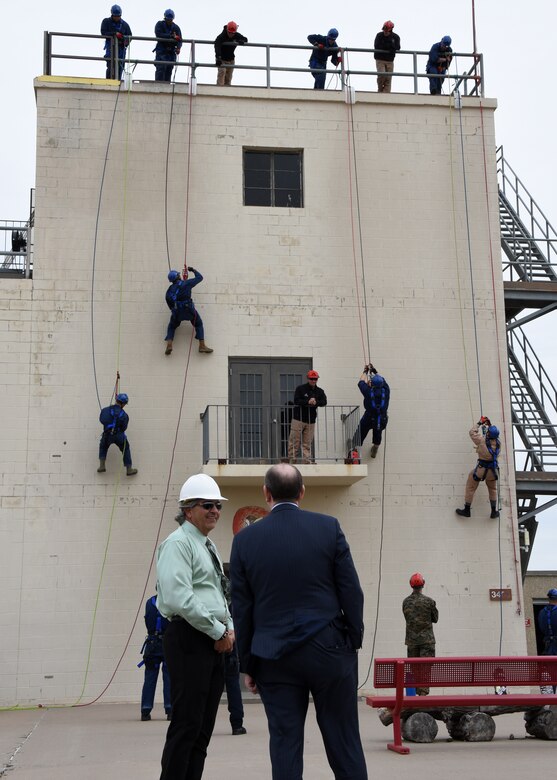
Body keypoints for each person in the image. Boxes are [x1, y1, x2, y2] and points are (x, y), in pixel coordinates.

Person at [230, 463, 368, 780]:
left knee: (285, 744)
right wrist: (352, 641)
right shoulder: (328, 528)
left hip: (274, 657)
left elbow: (243, 607)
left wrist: (248, 663)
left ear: (266, 493)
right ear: (302, 492)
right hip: (330, 650)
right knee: (344, 740)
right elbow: (351, 591)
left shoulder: (245, 541)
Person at [156, 473, 234, 780]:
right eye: (207, 505)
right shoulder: (178, 544)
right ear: (188, 510)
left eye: (218, 505)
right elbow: (179, 598)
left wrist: (228, 626)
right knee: (187, 725)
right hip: (190, 638)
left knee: (202, 728)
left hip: (212, 639)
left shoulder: (206, 544)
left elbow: (216, 591)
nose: (215, 510)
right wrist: (218, 632)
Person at [455, 417, 500, 518]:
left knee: (470, 487)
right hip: (492, 471)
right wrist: (489, 427)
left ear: (488, 434)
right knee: (492, 489)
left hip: (481, 469)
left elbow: (472, 432)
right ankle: (493, 511)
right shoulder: (498, 444)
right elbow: (491, 437)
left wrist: (480, 423)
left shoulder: (481, 441)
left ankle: (467, 509)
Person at [402, 572, 438, 696]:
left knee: (414, 669)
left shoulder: (406, 602)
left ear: (411, 585)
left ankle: (413, 696)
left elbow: (408, 618)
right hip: (427, 641)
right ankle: (423, 696)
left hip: (412, 641)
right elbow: (435, 618)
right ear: (423, 584)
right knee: (425, 669)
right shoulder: (429, 602)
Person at [164, 267, 213, 356]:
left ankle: (169, 345)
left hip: (177, 312)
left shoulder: (170, 289)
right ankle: (202, 345)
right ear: (177, 276)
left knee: (171, 326)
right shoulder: (187, 283)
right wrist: (193, 270)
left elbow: (168, 300)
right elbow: (200, 277)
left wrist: (173, 310)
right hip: (189, 310)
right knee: (198, 323)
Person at [222, 563, 246, 736]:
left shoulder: (216, 594)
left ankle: (201, 722)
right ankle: (237, 724)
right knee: (233, 685)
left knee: (207, 686)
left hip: (215, 642)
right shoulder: (238, 598)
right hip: (232, 645)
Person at [140, 594, 171, 721]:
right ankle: (170, 709)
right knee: (169, 677)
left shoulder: (149, 603)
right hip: (168, 643)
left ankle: (145, 710)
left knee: (150, 677)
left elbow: (147, 620)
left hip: (152, 644)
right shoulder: (170, 601)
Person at [287, 370, 327, 463]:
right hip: (298, 418)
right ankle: (292, 460)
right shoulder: (300, 389)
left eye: (315, 379)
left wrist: (316, 402)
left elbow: (324, 402)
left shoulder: (320, 391)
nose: (313, 380)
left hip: (311, 420)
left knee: (307, 442)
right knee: (294, 440)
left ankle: (306, 460)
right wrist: (308, 401)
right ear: (308, 378)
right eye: (312, 379)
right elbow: (296, 400)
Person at [353, 364, 390, 459]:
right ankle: (375, 447)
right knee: (378, 434)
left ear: (372, 384)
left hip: (369, 417)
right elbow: (383, 380)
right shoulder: (386, 391)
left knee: (360, 433)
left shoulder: (368, 392)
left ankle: (355, 449)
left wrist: (365, 371)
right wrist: (374, 371)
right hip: (381, 418)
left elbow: (361, 382)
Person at [97, 392, 137, 475]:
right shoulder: (124, 415)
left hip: (107, 434)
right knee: (126, 448)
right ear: (123, 403)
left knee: (103, 446)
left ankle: (102, 466)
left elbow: (102, 420)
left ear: (116, 400)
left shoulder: (105, 410)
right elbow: (124, 428)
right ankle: (129, 469)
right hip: (118, 435)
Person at [100, 5, 132, 80]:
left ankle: (118, 82)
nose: (117, 18)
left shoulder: (124, 25)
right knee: (111, 66)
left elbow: (130, 36)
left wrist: (124, 41)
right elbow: (103, 32)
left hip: (121, 50)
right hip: (111, 48)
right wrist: (115, 34)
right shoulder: (106, 21)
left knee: (120, 66)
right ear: (112, 14)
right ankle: (109, 82)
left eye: (118, 16)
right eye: (115, 16)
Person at [214, 21, 248, 86]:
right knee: (222, 72)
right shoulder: (221, 37)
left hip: (231, 60)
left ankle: (227, 90)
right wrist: (218, 57)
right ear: (227, 30)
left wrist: (242, 41)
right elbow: (217, 46)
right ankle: (219, 89)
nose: (231, 34)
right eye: (229, 33)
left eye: (233, 33)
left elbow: (245, 39)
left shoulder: (236, 35)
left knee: (228, 78)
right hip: (222, 59)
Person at [154, 9, 182, 82]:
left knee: (169, 70)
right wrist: (171, 36)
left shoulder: (176, 28)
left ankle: (167, 88)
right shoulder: (160, 24)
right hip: (161, 51)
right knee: (161, 69)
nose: (169, 21)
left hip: (171, 52)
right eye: (168, 19)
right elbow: (158, 34)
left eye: (170, 20)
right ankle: (158, 87)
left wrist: (178, 48)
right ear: (165, 18)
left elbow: (180, 39)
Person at [538, 588, 557, 694]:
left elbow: (541, 628)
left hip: (548, 646)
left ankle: (553, 697)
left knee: (553, 674)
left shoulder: (542, 612)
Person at [373, 20, 400, 93]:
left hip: (390, 60)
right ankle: (380, 90)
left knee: (388, 78)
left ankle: (386, 93)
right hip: (380, 59)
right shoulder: (379, 35)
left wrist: (392, 47)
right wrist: (389, 47)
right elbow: (377, 46)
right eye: (384, 29)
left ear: (391, 29)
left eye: (387, 30)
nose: (385, 31)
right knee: (382, 74)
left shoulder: (395, 37)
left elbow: (398, 47)